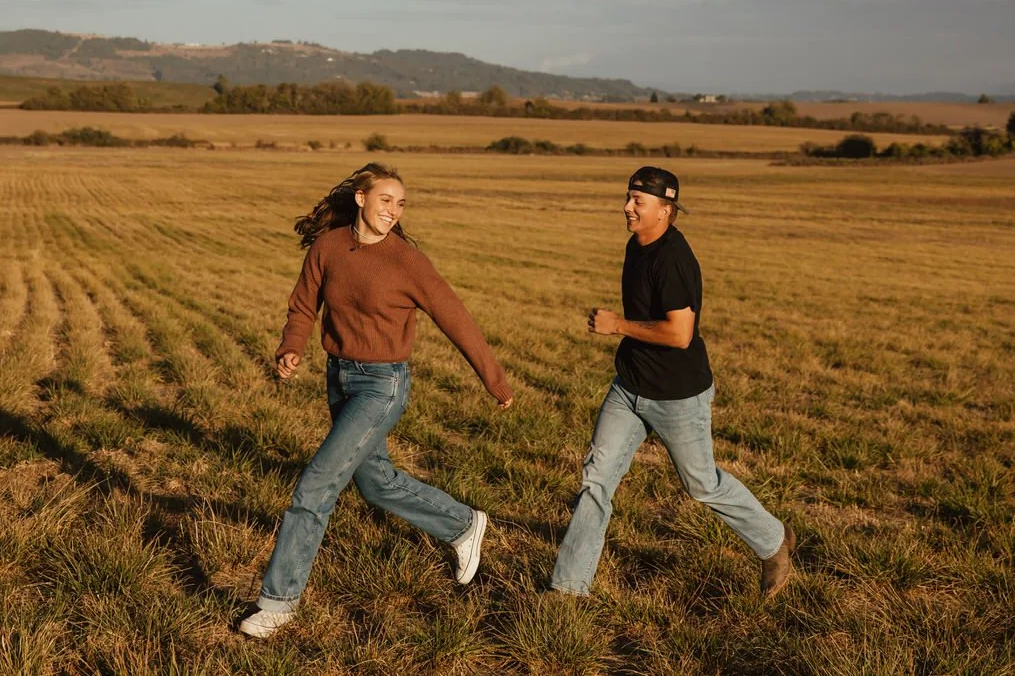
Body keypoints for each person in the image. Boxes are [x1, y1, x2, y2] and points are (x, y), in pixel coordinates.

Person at [239, 162, 515, 639]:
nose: (394, 210)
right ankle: (464, 524)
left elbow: (455, 316)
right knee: (377, 483)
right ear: (362, 199)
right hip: (339, 378)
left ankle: (277, 604)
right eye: (386, 200)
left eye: (401, 203)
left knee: (316, 486)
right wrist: (291, 347)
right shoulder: (329, 247)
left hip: (382, 385)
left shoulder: (406, 261)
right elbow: (305, 305)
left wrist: (493, 379)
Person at [549, 166, 795, 599]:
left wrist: (617, 326)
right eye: (627, 198)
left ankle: (773, 543)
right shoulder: (636, 244)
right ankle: (568, 590)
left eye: (637, 202)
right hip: (629, 388)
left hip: (678, 395)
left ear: (665, 210)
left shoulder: (674, 259)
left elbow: (680, 334)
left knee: (702, 486)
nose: (627, 207)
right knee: (596, 479)